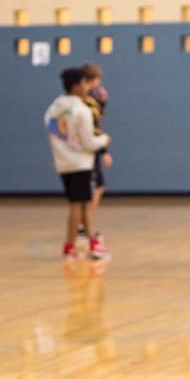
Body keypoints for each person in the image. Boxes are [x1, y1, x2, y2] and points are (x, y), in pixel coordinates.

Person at [45, 67, 111, 260]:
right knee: (83, 205)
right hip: (81, 164)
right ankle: (90, 245)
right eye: (83, 83)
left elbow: (54, 131)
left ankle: (72, 246)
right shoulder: (81, 110)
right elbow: (89, 142)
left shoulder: (54, 108)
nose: (86, 86)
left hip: (63, 163)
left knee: (77, 204)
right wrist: (104, 140)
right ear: (76, 86)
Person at [81, 63, 112, 229]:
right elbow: (94, 127)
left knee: (97, 187)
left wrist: (102, 103)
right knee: (96, 188)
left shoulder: (92, 99)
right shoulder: (85, 102)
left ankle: (85, 224)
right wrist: (104, 150)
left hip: (91, 149)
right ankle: (84, 225)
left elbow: (97, 118)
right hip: (89, 151)